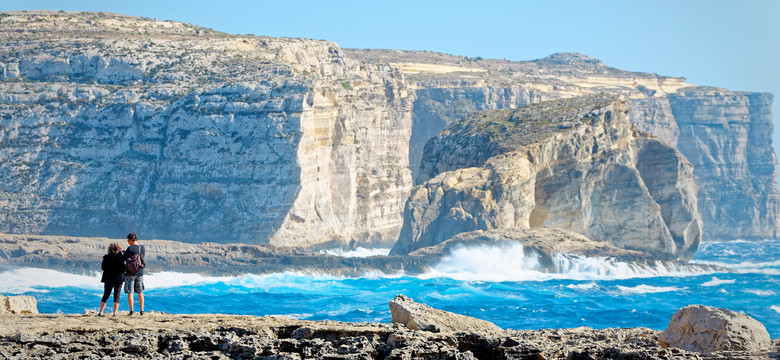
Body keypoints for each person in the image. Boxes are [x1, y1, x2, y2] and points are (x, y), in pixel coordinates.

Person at [121, 232, 146, 315]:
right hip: (140, 272)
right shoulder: (142, 248)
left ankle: (131, 311)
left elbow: (123, 258)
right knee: (140, 292)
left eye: (128, 240)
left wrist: (124, 253)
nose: (128, 242)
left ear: (131, 240)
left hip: (130, 273)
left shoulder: (130, 248)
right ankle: (142, 310)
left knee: (130, 293)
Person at [98, 243, 125, 316]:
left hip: (108, 278)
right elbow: (123, 268)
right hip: (118, 278)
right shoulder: (121, 257)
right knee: (117, 295)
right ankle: (115, 312)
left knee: (106, 295)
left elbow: (103, 268)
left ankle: (101, 312)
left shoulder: (106, 257)